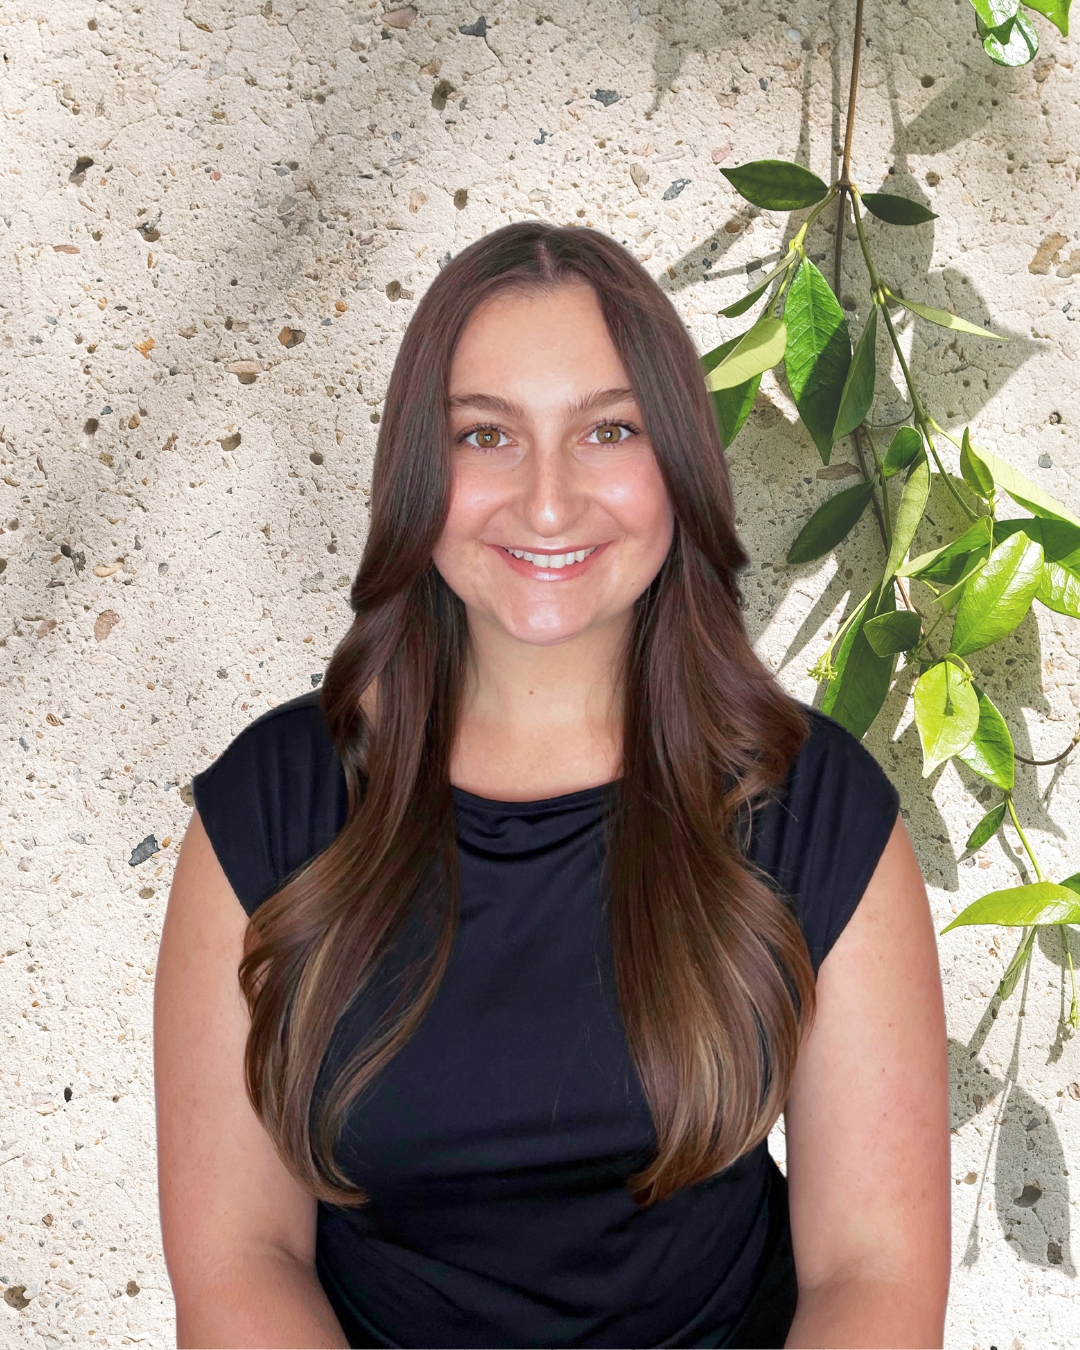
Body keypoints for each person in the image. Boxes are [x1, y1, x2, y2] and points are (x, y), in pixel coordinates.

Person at [154, 221, 951, 1350]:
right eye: (486, 436)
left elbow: (870, 1275)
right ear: (419, 474)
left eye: (608, 431)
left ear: (676, 460)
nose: (544, 502)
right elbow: (242, 1262)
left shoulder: (816, 809)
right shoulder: (270, 811)